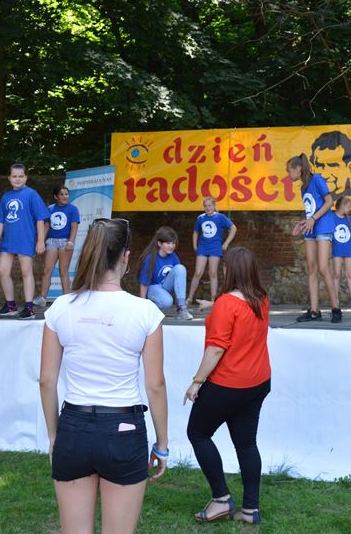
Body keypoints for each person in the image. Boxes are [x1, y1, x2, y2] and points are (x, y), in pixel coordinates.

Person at [39, 217, 169, 534]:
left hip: (73, 425)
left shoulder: (61, 308)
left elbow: (46, 380)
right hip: (124, 428)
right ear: (125, 257)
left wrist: (54, 435)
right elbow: (155, 385)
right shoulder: (145, 312)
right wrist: (162, 443)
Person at [184, 248, 271, 525]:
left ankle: (221, 499)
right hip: (257, 382)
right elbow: (239, 315)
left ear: (229, 270)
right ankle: (250, 510)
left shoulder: (226, 304)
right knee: (246, 444)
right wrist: (214, 306)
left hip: (228, 383)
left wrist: (196, 382)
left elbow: (216, 349)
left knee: (197, 433)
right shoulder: (261, 299)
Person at [287, 154, 342, 323]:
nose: (288, 174)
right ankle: (314, 312)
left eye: (289, 170)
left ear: (298, 169)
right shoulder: (303, 188)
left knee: (323, 268)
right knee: (311, 268)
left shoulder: (317, 179)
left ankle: (336, 309)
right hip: (310, 228)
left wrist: (313, 219)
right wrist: (305, 222)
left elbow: (329, 202)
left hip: (323, 226)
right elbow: (312, 209)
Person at [0, 163, 49, 320]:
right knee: (3, 271)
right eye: (14, 176)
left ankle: (29, 308)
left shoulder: (31, 194)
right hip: (8, 240)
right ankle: (10, 305)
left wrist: (40, 241)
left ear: (26, 177)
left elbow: (40, 219)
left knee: (26, 272)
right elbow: (0, 220)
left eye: (21, 176)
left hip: (25, 239)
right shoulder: (6, 196)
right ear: (9, 178)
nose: (17, 179)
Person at [34, 186, 80, 307]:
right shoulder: (50, 209)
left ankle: (67, 299)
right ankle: (42, 298)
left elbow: (74, 227)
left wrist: (71, 242)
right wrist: (40, 241)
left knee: (63, 271)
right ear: (56, 197)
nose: (65, 197)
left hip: (65, 242)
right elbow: (46, 226)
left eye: (66, 194)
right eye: (62, 194)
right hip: (52, 242)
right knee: (47, 270)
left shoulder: (72, 209)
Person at [188, 197, 237, 307]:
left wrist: (226, 243)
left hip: (215, 247)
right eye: (205, 206)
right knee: (198, 272)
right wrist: (195, 245)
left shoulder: (220, 217)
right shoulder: (200, 218)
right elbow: (195, 232)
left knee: (213, 273)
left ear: (214, 206)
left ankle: (213, 299)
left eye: (210, 205)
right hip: (202, 247)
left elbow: (233, 228)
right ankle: (189, 298)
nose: (207, 208)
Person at [138, 226, 193, 320]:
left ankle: (181, 308)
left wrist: (180, 299)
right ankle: (150, 308)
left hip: (165, 287)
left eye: (173, 243)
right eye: (168, 243)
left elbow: (179, 279)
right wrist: (143, 304)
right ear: (159, 243)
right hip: (153, 288)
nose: (171, 246)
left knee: (180, 268)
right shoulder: (150, 258)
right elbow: (144, 283)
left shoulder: (173, 256)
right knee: (167, 302)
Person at [331, 197, 351, 309]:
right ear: (342, 206)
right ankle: (335, 299)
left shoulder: (349, 219)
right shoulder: (332, 217)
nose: (349, 209)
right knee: (336, 274)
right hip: (337, 249)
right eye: (348, 207)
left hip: (348, 249)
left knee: (350, 274)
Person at [309, 130, 351, 198]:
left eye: (332, 165)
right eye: (320, 165)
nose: (325, 175)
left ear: (350, 168)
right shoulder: (308, 199)